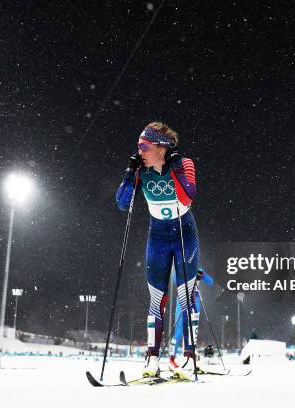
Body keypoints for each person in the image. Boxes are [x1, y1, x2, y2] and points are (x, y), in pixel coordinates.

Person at [116, 122, 199, 377]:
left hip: (184, 234)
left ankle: (189, 357)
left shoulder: (184, 164)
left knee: (185, 298)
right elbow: (122, 203)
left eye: (144, 146)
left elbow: (187, 196)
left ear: (161, 148)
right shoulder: (143, 171)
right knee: (156, 299)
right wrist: (130, 174)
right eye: (138, 146)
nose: (139, 151)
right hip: (158, 238)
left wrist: (173, 168)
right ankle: (152, 358)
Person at [168, 267, 214, 371]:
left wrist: (202, 275)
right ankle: (171, 359)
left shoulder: (197, 268)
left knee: (193, 331)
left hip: (196, 300)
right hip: (183, 299)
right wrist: (188, 276)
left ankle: (189, 358)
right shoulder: (181, 267)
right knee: (179, 331)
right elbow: (176, 279)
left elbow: (211, 282)